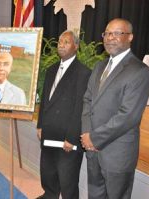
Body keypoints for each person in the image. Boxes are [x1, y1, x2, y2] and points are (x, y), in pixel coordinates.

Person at [80, 18, 149, 199]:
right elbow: (88, 100)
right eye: (107, 33)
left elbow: (128, 116)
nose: (110, 38)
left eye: (117, 33)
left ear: (130, 37)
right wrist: (87, 134)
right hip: (92, 149)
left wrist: (95, 139)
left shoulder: (139, 71)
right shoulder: (99, 66)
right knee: (95, 195)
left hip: (117, 154)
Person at [36, 30, 91, 199]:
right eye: (59, 41)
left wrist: (72, 137)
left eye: (66, 42)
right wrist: (40, 124)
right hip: (49, 131)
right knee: (48, 173)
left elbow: (80, 108)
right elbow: (45, 100)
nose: (61, 45)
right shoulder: (52, 69)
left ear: (76, 46)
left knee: (67, 180)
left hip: (68, 137)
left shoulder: (83, 72)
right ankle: (50, 195)